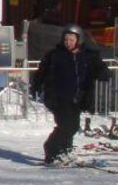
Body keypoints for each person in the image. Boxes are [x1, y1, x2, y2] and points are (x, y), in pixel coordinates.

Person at [29, 24, 110, 165]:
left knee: (72, 125)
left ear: (78, 40)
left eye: (71, 40)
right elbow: (41, 72)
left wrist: (103, 74)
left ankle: (65, 150)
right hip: (58, 97)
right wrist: (36, 85)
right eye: (66, 39)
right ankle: (52, 150)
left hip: (78, 97)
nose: (68, 43)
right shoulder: (55, 55)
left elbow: (100, 68)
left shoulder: (88, 55)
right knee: (67, 126)